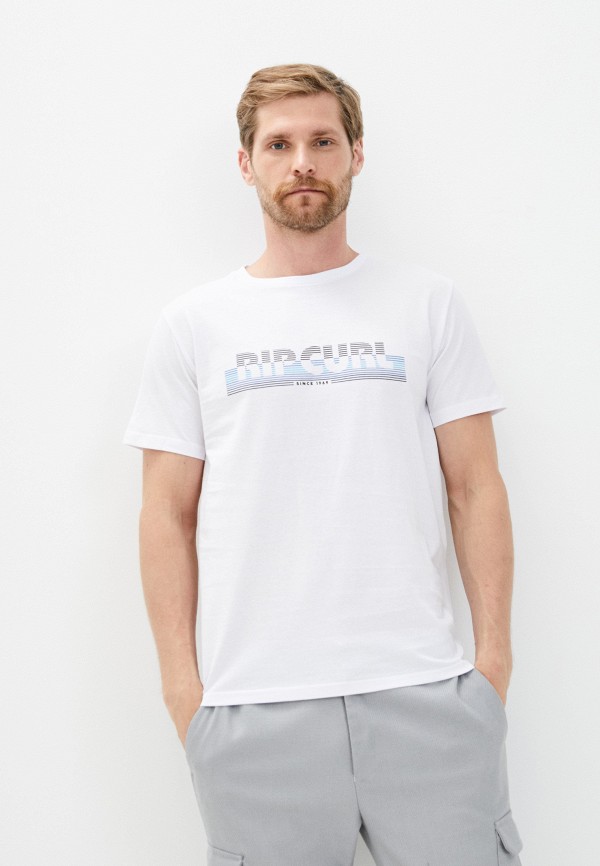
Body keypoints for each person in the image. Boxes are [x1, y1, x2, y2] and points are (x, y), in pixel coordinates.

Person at [123, 63, 524, 866]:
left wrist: (491, 667)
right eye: (279, 144)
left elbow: (475, 487)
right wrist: (184, 692)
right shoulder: (194, 325)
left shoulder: (427, 302)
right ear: (247, 164)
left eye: (323, 141)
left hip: (426, 692)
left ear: (356, 154)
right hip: (254, 707)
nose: (302, 162)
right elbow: (167, 512)